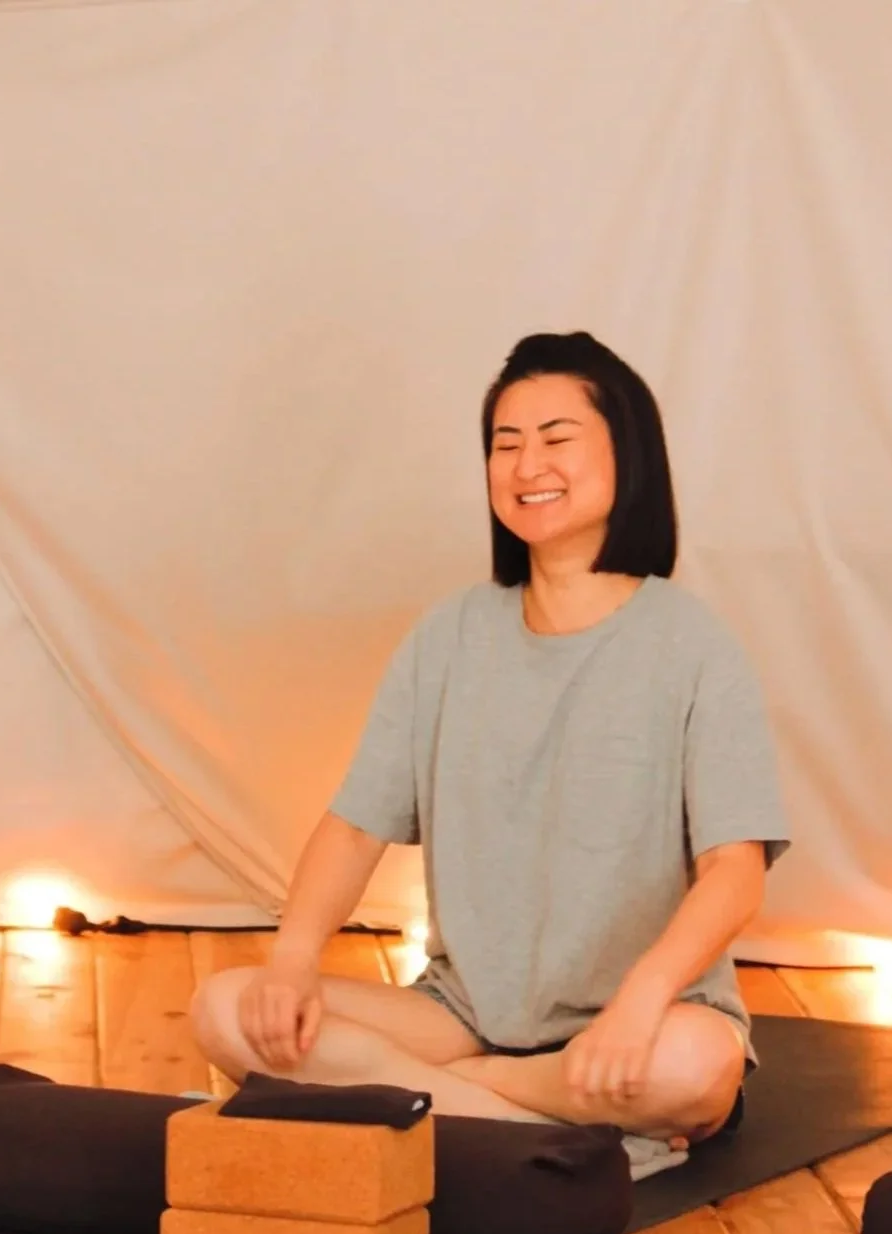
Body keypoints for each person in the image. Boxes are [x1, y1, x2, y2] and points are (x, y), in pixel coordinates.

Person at [190, 331, 789, 1150]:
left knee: (689, 1070)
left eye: (556, 439)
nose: (525, 465)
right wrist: (293, 960)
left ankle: (451, 1106)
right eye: (505, 445)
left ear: (630, 456)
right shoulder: (449, 636)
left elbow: (735, 873)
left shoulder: (694, 646)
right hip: (461, 1018)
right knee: (228, 1009)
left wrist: (643, 999)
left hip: (637, 1025)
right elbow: (356, 825)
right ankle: (517, 1121)